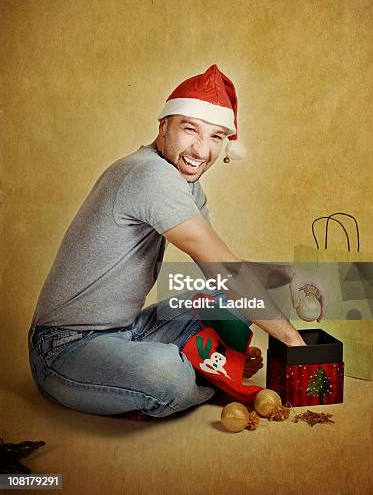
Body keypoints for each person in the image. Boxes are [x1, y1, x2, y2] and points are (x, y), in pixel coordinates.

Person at [28, 64, 327, 420]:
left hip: (132, 329)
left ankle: (205, 363)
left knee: (242, 294)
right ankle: (209, 371)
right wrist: (295, 343)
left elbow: (224, 275)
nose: (201, 150)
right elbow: (224, 270)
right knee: (167, 375)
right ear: (163, 126)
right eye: (190, 130)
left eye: (216, 136)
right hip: (65, 349)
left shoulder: (187, 184)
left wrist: (297, 277)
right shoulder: (149, 174)